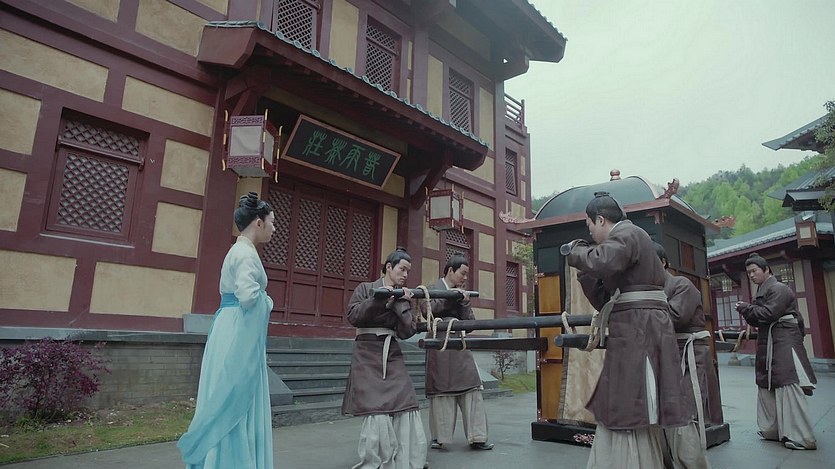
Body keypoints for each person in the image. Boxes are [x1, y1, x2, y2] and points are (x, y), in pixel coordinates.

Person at [562, 192, 693, 469]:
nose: (590, 232)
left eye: (589, 225)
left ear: (600, 219)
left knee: (631, 401)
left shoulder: (628, 233)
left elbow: (601, 261)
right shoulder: (624, 245)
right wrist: (585, 271)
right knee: (624, 399)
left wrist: (574, 252)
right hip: (633, 326)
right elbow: (604, 298)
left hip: (640, 329)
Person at [177, 192, 276, 469]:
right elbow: (248, 297)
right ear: (258, 222)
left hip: (228, 325)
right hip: (238, 330)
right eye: (272, 222)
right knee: (235, 392)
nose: (274, 228)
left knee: (224, 391)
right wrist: (267, 301)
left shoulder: (238, 250)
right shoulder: (245, 253)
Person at [341, 247, 429, 469]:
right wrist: (380, 298)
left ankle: (409, 459)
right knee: (376, 408)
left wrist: (402, 304)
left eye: (408, 271)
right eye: (402, 269)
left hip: (391, 351)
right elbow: (354, 316)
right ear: (389, 267)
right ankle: (376, 461)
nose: (405, 274)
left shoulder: (404, 295)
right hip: (367, 352)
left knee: (406, 402)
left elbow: (407, 331)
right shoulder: (365, 288)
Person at [735, 252, 817, 450]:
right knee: (767, 384)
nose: (751, 275)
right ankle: (772, 430)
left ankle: (801, 436)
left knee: (788, 385)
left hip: (784, 341)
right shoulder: (764, 290)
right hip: (770, 340)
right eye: (748, 272)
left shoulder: (779, 288)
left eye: (754, 271)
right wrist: (747, 310)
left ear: (766, 270)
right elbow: (758, 318)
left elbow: (769, 313)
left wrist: (746, 308)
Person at [422, 254, 493, 451]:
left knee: (472, 387)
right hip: (440, 344)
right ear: (450, 271)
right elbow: (427, 311)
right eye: (462, 273)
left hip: (460, 344)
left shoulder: (463, 293)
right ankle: (440, 437)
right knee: (441, 391)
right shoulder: (431, 288)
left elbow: (469, 323)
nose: (465, 278)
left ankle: (478, 436)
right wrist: (451, 297)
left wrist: (464, 302)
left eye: (466, 274)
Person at [655, 243, 715, 469]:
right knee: (665, 410)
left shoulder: (681, 285)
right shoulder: (650, 288)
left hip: (689, 355)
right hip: (667, 355)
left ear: (663, 262)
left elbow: (675, 317)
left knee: (685, 411)